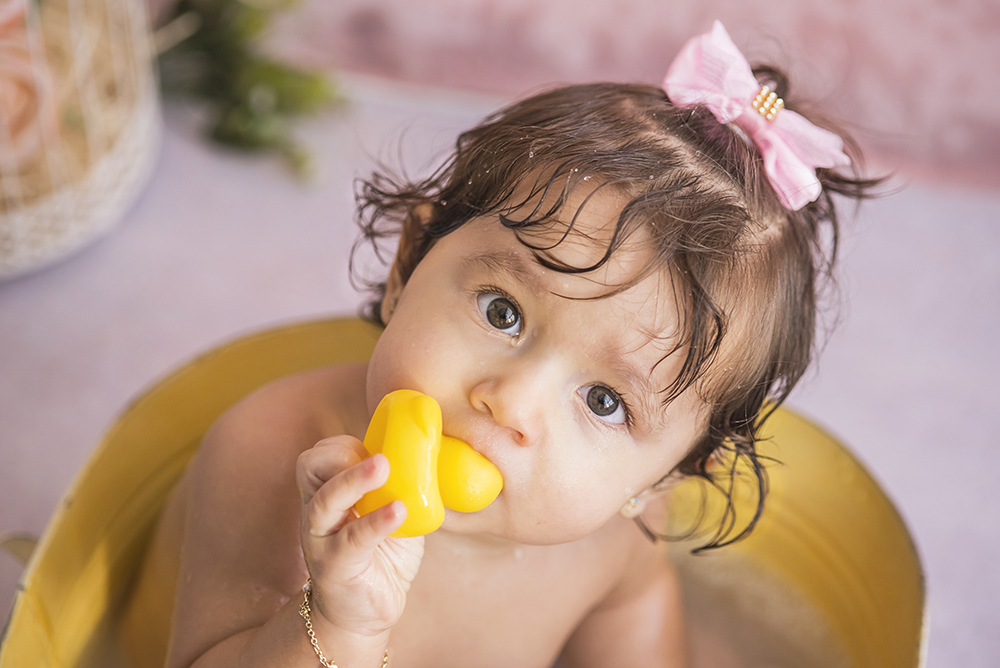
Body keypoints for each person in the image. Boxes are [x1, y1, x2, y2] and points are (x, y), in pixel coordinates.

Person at [121, 21, 879, 668]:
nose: (509, 402)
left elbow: (635, 613)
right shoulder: (271, 455)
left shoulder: (613, 540)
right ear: (410, 264)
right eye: (503, 311)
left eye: (604, 401)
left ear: (664, 480)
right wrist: (337, 622)